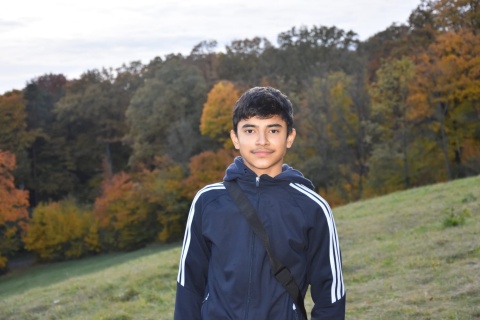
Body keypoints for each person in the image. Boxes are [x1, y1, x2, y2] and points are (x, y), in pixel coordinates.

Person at [174, 86, 346, 319]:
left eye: (273, 130)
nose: (262, 141)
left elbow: (330, 292)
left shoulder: (313, 208)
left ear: (289, 137)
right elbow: (189, 283)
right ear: (235, 138)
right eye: (250, 130)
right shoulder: (208, 201)